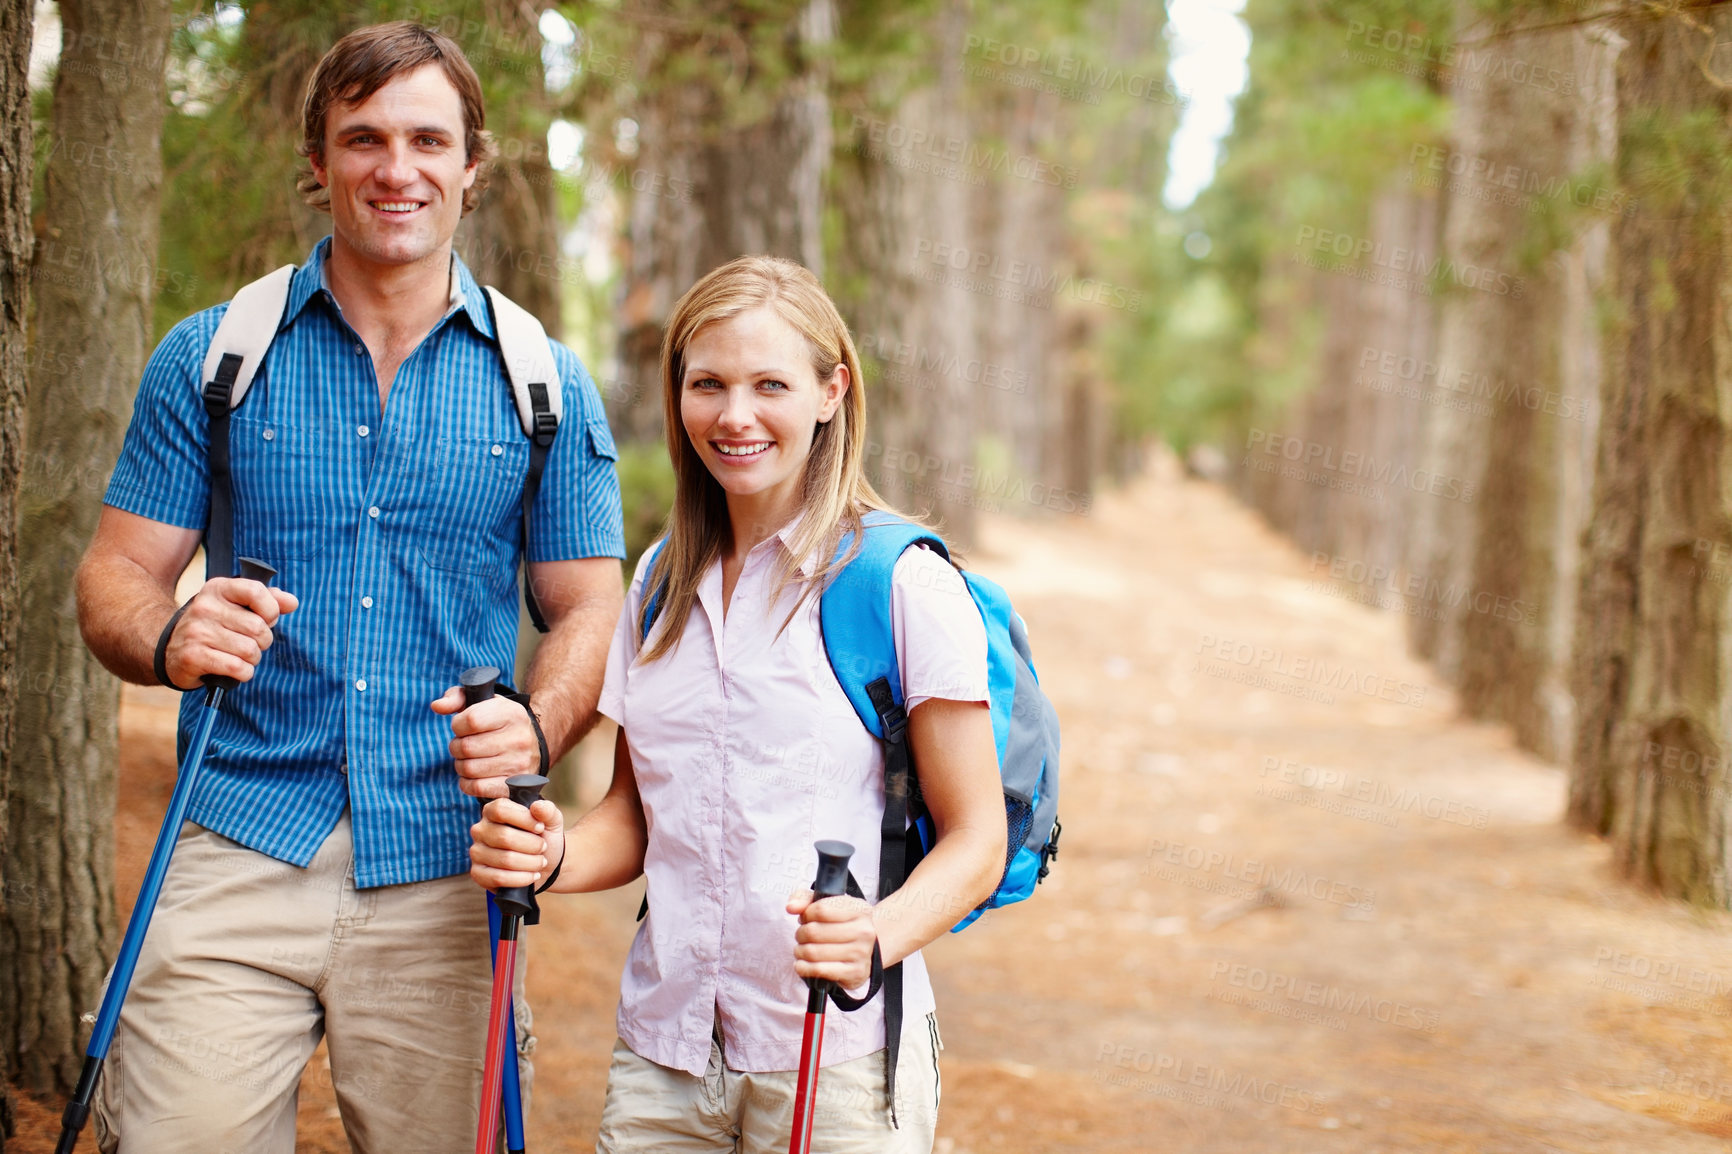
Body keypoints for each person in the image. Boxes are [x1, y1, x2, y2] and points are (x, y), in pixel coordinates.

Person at [74, 22, 624, 1153]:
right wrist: (172, 629)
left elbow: (588, 609)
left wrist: (536, 719)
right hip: (233, 837)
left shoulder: (544, 386)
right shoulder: (214, 355)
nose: (396, 168)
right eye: (362, 138)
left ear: (473, 166)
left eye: (429, 139)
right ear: (318, 161)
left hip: (444, 861)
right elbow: (117, 574)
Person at [468, 255, 1008, 1152]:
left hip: (835, 1059)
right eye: (707, 384)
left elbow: (977, 838)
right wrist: (553, 853)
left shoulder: (901, 583)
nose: (735, 415)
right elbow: (636, 822)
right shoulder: (657, 583)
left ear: (832, 392)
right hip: (664, 1055)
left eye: (770, 385)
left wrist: (875, 934)